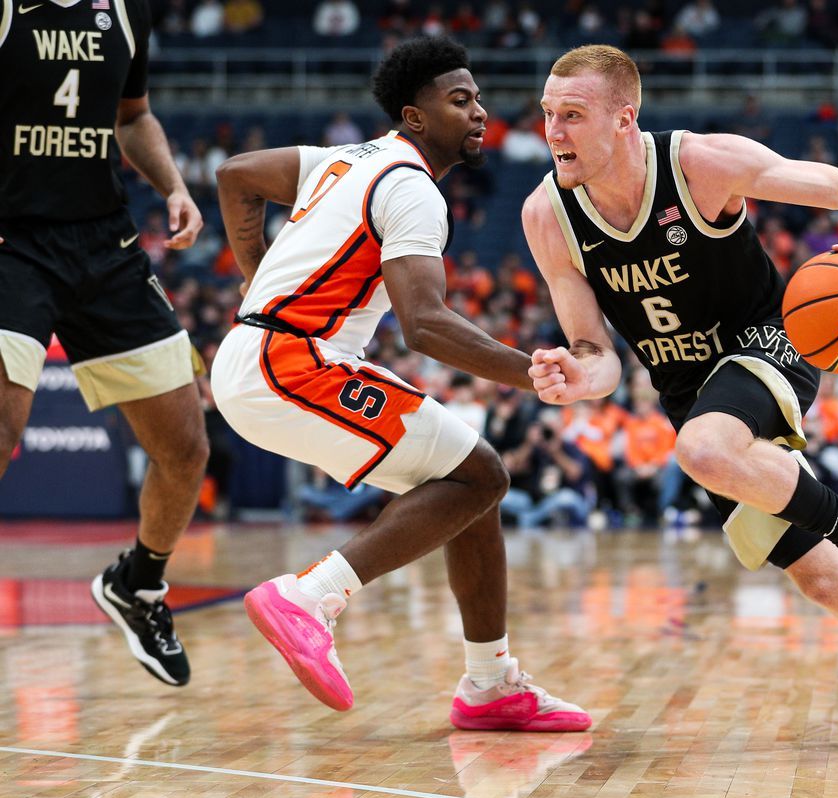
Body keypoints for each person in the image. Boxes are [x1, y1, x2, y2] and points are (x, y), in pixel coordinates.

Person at [521, 45, 838, 743]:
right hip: (688, 392)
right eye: (549, 113)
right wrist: (581, 376)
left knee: (700, 449)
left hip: (770, 343)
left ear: (623, 120)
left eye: (572, 115)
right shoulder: (547, 215)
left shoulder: (701, 164)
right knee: (825, 583)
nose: (553, 130)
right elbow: (598, 354)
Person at [210, 38, 588, 729]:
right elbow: (425, 325)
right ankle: (312, 596)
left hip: (269, 353)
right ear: (415, 117)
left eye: (477, 98)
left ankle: (490, 683)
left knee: (472, 484)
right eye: (460, 100)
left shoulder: (342, 159)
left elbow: (236, 175)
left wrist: (257, 274)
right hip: (287, 361)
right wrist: (528, 372)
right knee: (478, 478)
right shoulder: (410, 185)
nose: (479, 113)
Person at [0, 0, 208, 687]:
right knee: (2, 430)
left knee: (185, 446)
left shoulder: (126, 10)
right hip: (12, 242)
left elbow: (133, 114)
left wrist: (172, 185)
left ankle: (137, 584)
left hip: (103, 244)